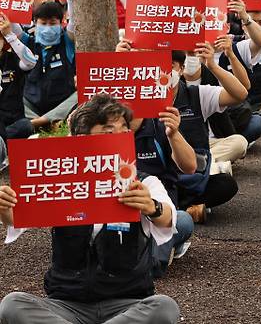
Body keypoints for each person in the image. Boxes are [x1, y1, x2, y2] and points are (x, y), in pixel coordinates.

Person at [0, 95, 180, 323]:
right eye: (108, 130)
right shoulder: (58, 179)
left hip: (127, 305)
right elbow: (15, 219)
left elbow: (169, 219)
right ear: (80, 138)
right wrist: (4, 205)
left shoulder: (142, 183)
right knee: (12, 304)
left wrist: (151, 207)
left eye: (124, 129)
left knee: (164, 307)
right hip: (66, 305)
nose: (119, 136)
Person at [170, 45, 247, 223]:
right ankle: (184, 210)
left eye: (171, 65)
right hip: (157, 175)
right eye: (156, 65)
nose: (163, 71)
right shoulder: (137, 99)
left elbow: (240, 94)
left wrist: (212, 65)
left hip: (189, 176)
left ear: (181, 69)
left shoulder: (196, 95)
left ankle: (174, 209)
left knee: (225, 184)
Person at [20, 0, 78, 132]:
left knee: (81, 95)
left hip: (62, 103)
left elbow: (74, 23)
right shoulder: (27, 43)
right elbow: (11, 27)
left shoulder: (67, 43)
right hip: (31, 105)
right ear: (35, 23)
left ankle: (41, 122)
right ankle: (45, 122)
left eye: (52, 23)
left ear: (61, 23)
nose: (47, 28)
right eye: (43, 23)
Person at [0, 13, 37, 142]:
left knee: (25, 126)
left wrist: (10, 35)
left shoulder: (11, 59)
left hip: (14, 123)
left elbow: (31, 62)